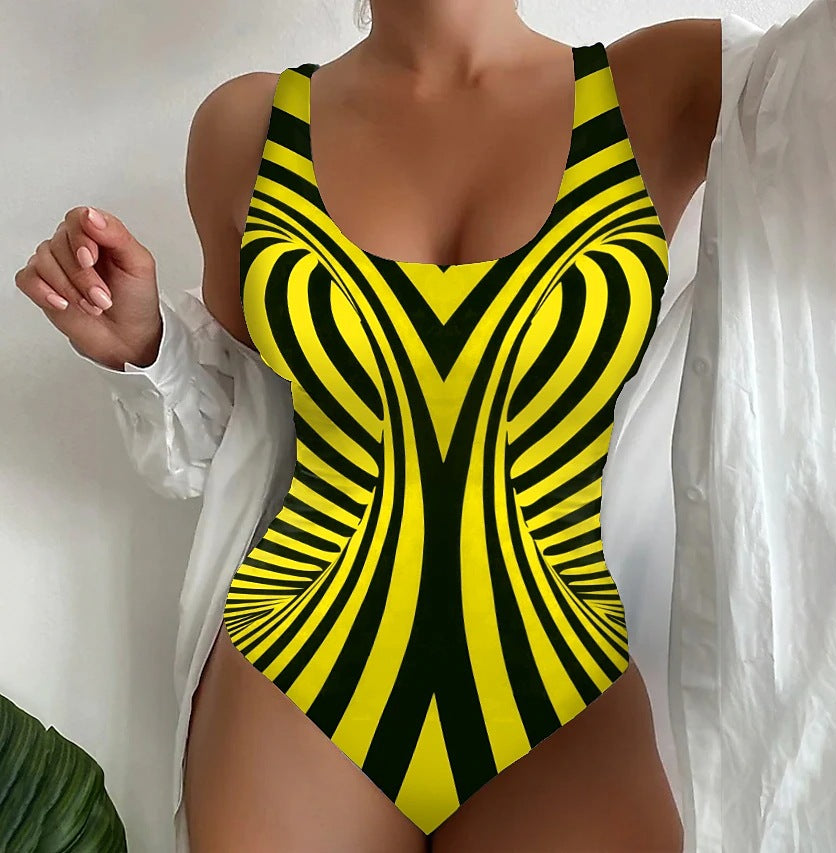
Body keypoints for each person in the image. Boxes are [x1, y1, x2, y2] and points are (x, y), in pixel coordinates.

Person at [15, 2, 724, 849]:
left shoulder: (676, 80)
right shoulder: (246, 128)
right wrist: (147, 349)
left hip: (562, 682)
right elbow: (247, 428)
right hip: (298, 672)